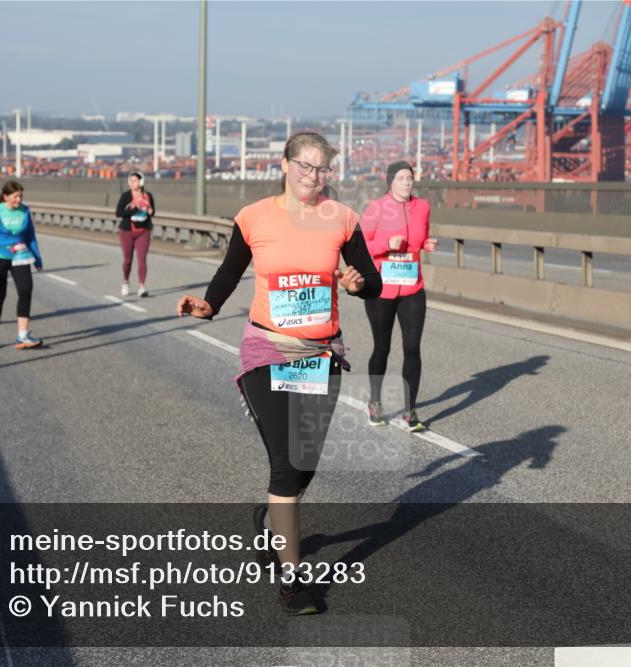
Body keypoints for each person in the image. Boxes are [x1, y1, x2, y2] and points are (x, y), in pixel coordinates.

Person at [176, 132, 381, 615]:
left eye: (322, 169)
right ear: (285, 164)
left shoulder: (342, 219)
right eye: (305, 167)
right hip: (267, 348)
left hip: (318, 354)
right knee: (287, 464)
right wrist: (207, 306)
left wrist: (358, 285)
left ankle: (269, 522)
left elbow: (370, 280)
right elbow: (230, 272)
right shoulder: (254, 218)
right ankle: (293, 579)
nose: (314, 177)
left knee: (304, 465)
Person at [360, 161, 437, 432]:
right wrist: (385, 245)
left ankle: (410, 410)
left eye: (410, 178)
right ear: (390, 181)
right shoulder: (376, 208)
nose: (407, 182)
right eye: (401, 178)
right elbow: (358, 247)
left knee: (412, 349)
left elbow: (421, 238)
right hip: (381, 289)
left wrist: (427, 244)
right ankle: (375, 402)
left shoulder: (423, 207)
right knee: (382, 348)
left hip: (412, 288)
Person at [0, 180, 43, 350]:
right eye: (15, 197)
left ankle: (22, 335)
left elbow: (30, 237)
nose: (19, 200)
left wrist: (37, 258)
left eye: (21, 196)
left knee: (26, 290)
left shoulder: (25, 211)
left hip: (20, 254)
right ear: (5, 196)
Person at [114, 171, 155, 297]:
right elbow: (118, 213)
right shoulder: (126, 196)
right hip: (127, 231)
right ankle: (125, 282)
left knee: (142, 259)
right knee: (127, 260)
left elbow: (152, 212)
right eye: (131, 180)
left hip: (143, 231)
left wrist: (149, 211)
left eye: (135, 180)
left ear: (141, 181)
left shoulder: (148, 196)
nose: (132, 183)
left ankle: (142, 287)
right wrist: (133, 210)